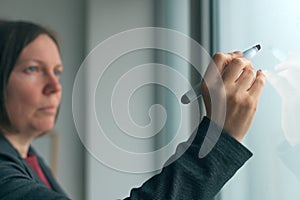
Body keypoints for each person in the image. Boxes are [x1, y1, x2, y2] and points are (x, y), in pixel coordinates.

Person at [0, 20, 266, 200]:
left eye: (57, 72)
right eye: (32, 69)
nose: (54, 87)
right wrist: (218, 138)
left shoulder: (28, 159)